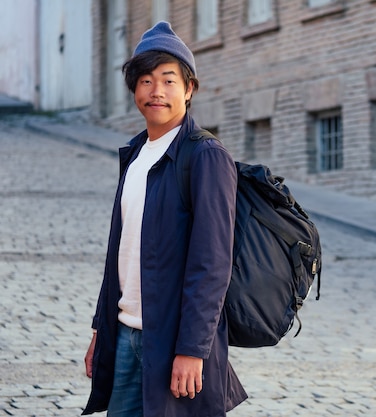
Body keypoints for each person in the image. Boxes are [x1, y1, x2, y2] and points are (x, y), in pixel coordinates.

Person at [82, 21, 247, 417]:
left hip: (174, 341)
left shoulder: (204, 156)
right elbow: (121, 252)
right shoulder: (136, 155)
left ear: (189, 90)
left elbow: (212, 263)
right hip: (124, 334)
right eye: (145, 80)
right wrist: (100, 329)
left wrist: (193, 350)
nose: (156, 91)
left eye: (168, 80)